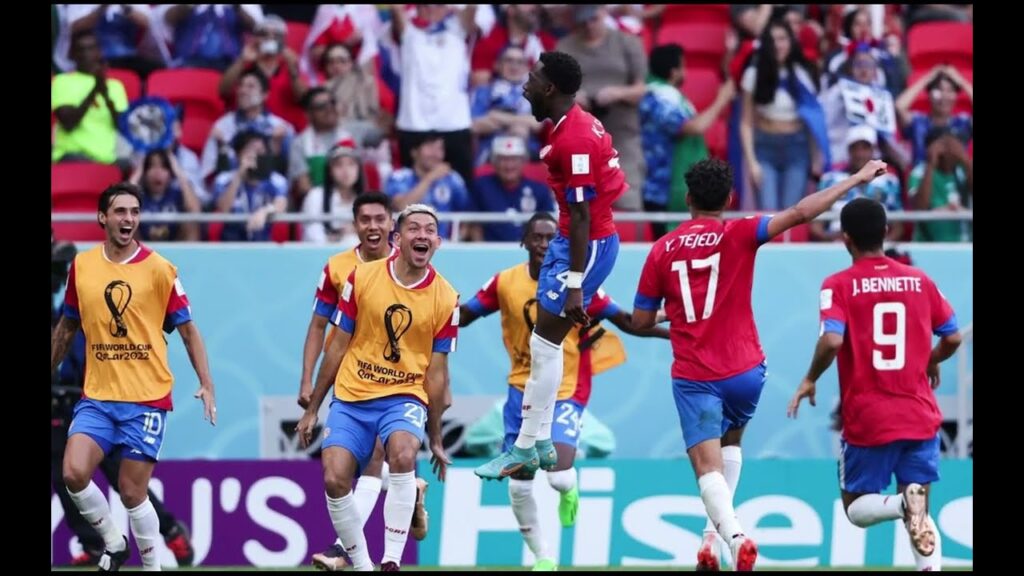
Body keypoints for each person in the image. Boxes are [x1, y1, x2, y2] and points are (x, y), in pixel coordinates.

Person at [631, 157, 889, 571]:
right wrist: (857, 178)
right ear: (730, 199)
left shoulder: (662, 249)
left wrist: (673, 320)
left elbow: (640, 321)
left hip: (696, 374)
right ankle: (710, 539)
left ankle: (734, 538)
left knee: (706, 466)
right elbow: (802, 212)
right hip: (746, 369)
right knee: (731, 445)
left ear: (689, 199)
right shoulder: (741, 231)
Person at [460, 212, 668, 570]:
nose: (543, 244)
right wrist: (428, 312)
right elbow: (464, 316)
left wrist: (675, 332)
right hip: (521, 390)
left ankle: (569, 489)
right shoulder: (504, 282)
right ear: (524, 241)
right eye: (537, 237)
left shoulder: (579, 286)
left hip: (566, 388)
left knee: (557, 475)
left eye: (551, 238)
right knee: (519, 484)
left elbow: (627, 321)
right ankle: (543, 557)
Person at [475, 50, 628, 481]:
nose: (525, 86)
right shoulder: (570, 125)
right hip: (570, 240)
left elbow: (582, 216)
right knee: (546, 343)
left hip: (587, 243)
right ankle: (538, 439)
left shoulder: (574, 141)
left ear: (550, 88)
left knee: (545, 343)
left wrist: (576, 284)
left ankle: (525, 446)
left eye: (532, 79)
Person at [787, 197, 962, 572]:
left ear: (845, 238)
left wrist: (810, 378)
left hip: (870, 418)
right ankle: (918, 533)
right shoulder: (919, 280)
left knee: (855, 509)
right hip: (920, 414)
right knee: (921, 514)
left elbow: (832, 340)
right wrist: (930, 358)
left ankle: (900, 505)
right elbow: (953, 336)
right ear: (885, 231)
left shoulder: (838, 285)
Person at [50, 182, 216, 571]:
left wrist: (206, 383)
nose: (129, 219)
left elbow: (188, 331)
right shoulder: (83, 267)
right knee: (72, 473)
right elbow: (67, 328)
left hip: (146, 399)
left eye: (135, 212)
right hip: (97, 396)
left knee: (130, 491)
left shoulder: (160, 269)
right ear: (102, 217)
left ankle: (152, 565)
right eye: (120, 211)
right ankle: (113, 542)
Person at [296, 204, 457, 572]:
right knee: (335, 478)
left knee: (401, 454)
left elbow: (436, 372)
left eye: (429, 230)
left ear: (438, 242)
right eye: (414, 228)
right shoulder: (361, 277)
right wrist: (313, 407)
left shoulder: (447, 297)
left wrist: (435, 437)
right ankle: (362, 565)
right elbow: (336, 344)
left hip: (404, 394)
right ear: (398, 239)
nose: (422, 235)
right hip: (353, 394)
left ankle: (391, 560)